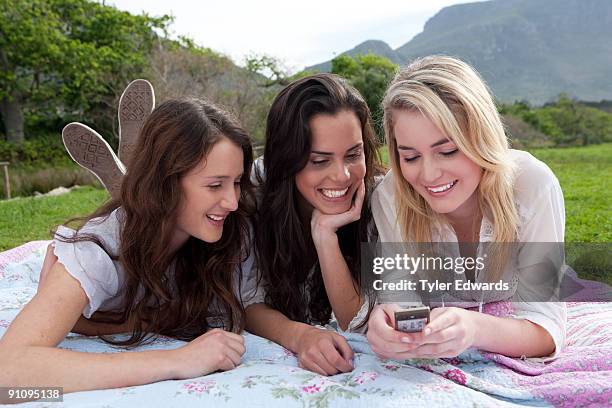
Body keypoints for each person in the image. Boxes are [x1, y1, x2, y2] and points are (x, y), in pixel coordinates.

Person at [0, 99, 256, 393]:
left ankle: (130, 169)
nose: (232, 202)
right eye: (215, 185)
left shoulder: (222, 235)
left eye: (236, 182)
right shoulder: (97, 252)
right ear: (165, 183)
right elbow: (9, 371)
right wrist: (177, 360)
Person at [367, 56, 566, 361]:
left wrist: (474, 328)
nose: (429, 175)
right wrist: (391, 323)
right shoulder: (390, 197)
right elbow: (399, 299)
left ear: (481, 138)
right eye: (410, 157)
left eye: (447, 151)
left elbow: (546, 330)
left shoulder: (534, 185)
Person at [245, 74, 383, 376]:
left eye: (353, 154)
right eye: (319, 161)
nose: (342, 176)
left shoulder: (379, 200)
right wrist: (300, 336)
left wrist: (325, 236)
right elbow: (247, 303)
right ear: (287, 159)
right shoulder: (255, 192)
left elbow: (355, 321)